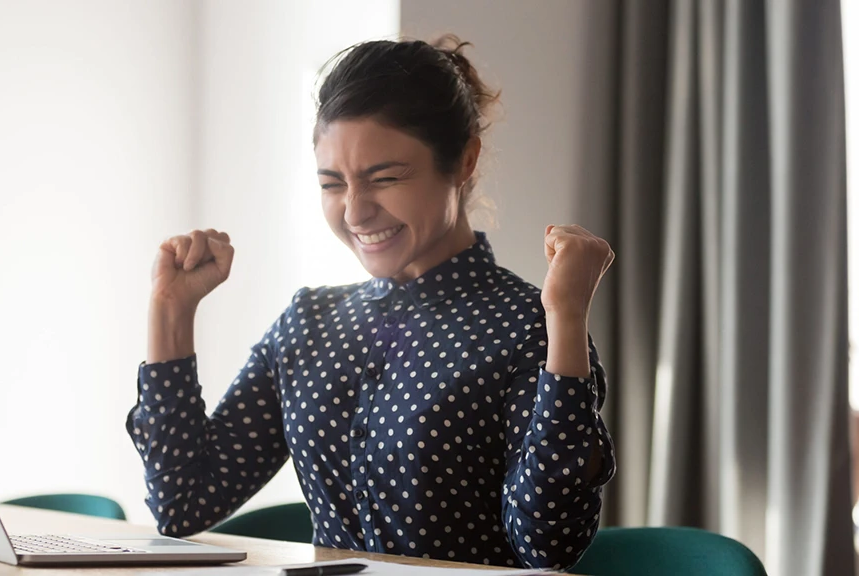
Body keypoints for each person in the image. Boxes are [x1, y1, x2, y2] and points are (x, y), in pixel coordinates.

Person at [126, 35, 616, 570]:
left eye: (385, 178)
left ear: (465, 161)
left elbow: (548, 544)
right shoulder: (308, 323)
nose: (355, 213)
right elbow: (183, 501)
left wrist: (566, 318)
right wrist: (171, 311)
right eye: (332, 184)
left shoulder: (528, 327)